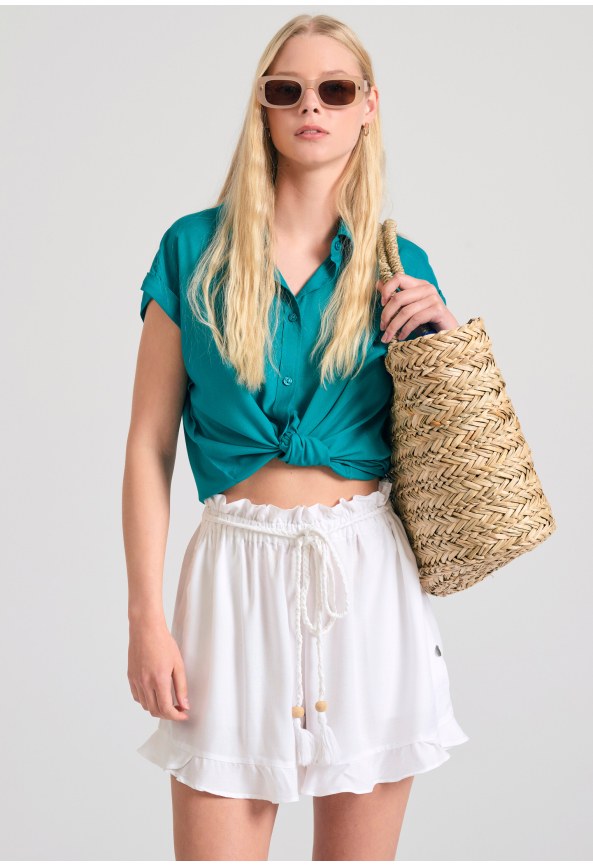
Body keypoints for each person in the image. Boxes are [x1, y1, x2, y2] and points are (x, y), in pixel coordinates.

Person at [123, 13, 469, 861]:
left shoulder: (400, 264)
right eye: (288, 90)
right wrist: (145, 617)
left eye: (334, 90)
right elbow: (147, 444)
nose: (311, 106)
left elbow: (453, 445)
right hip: (232, 580)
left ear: (367, 107)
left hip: (365, 578)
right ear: (264, 108)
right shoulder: (194, 250)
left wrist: (447, 335)